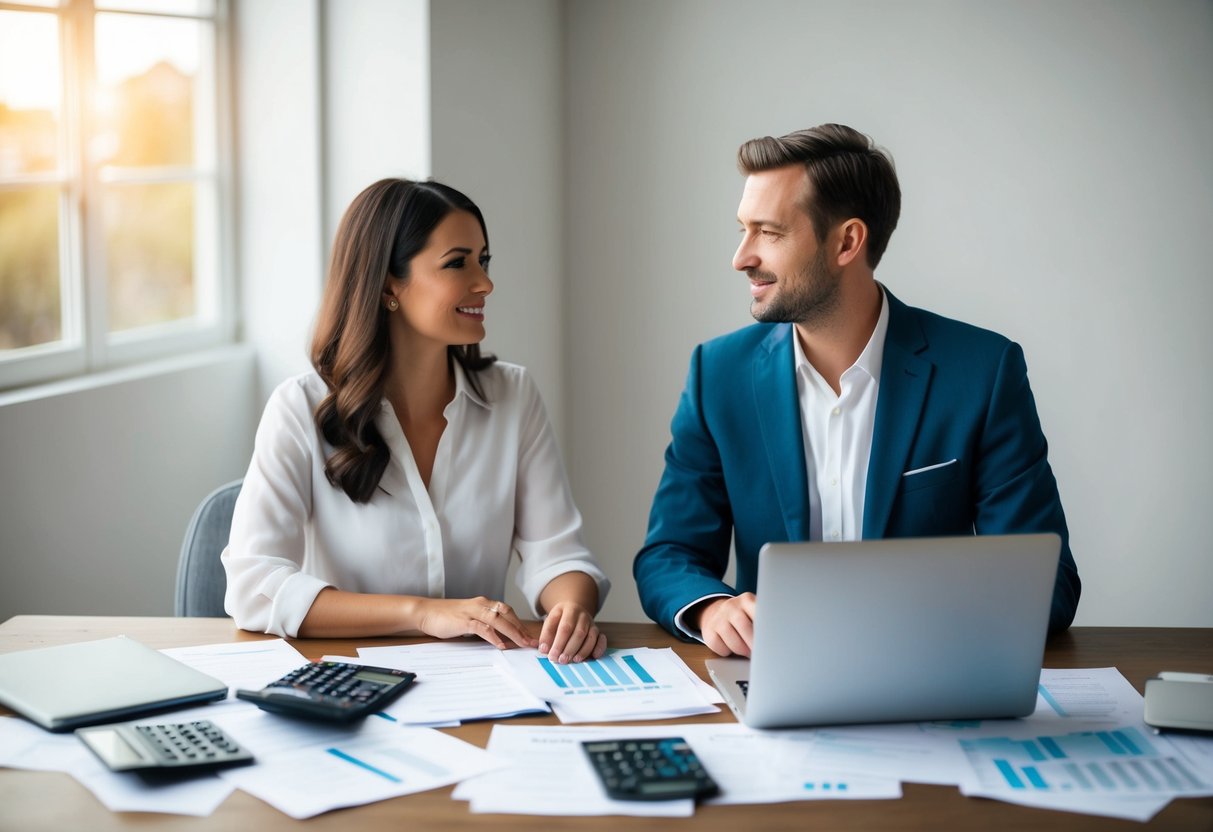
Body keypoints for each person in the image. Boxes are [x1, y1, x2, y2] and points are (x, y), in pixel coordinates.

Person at [634, 124, 1080, 657]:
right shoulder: (718, 374)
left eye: (769, 233)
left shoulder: (983, 371)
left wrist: (915, 622)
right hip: (775, 672)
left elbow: (1048, 579)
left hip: (930, 673)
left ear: (847, 241)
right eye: (742, 230)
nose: (742, 257)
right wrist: (713, 607)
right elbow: (668, 554)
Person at [223, 178, 609, 664]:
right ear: (389, 284)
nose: (485, 283)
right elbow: (254, 587)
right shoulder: (299, 409)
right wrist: (423, 613)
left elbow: (558, 554)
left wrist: (571, 609)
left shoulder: (513, 396)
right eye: (457, 263)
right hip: (350, 685)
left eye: (483, 260)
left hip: (483, 686)